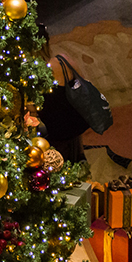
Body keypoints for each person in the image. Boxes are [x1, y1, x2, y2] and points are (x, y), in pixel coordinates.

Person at [34, 24, 90, 167]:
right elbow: (85, 85)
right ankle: (79, 158)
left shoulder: (33, 73)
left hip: (56, 132)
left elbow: (34, 109)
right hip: (78, 122)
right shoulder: (64, 60)